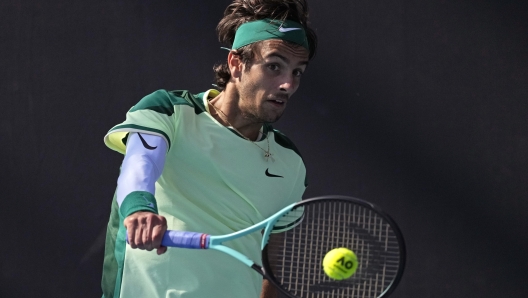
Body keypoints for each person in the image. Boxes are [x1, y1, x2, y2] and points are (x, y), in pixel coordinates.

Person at [100, 0, 318, 297]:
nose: (287, 84)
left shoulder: (290, 163)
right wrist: (140, 208)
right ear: (236, 64)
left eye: (297, 72)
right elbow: (140, 165)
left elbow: (271, 261)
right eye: (274, 66)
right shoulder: (170, 111)